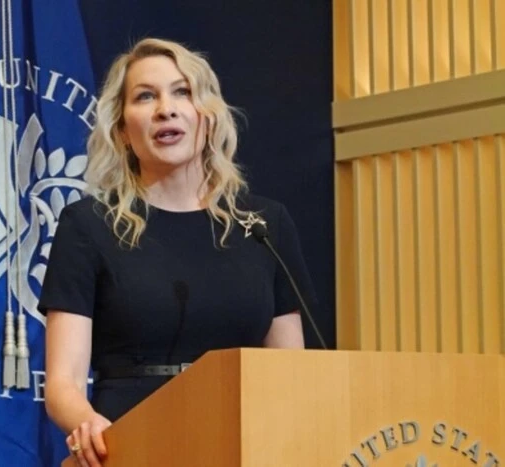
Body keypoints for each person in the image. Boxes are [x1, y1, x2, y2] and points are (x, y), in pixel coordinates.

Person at [39, 37, 315, 467]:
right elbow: (63, 383)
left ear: (208, 116)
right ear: (122, 130)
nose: (165, 109)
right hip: (130, 445)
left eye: (182, 92)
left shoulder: (264, 225)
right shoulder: (87, 225)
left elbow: (289, 374)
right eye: (145, 96)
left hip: (243, 445)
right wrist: (90, 426)